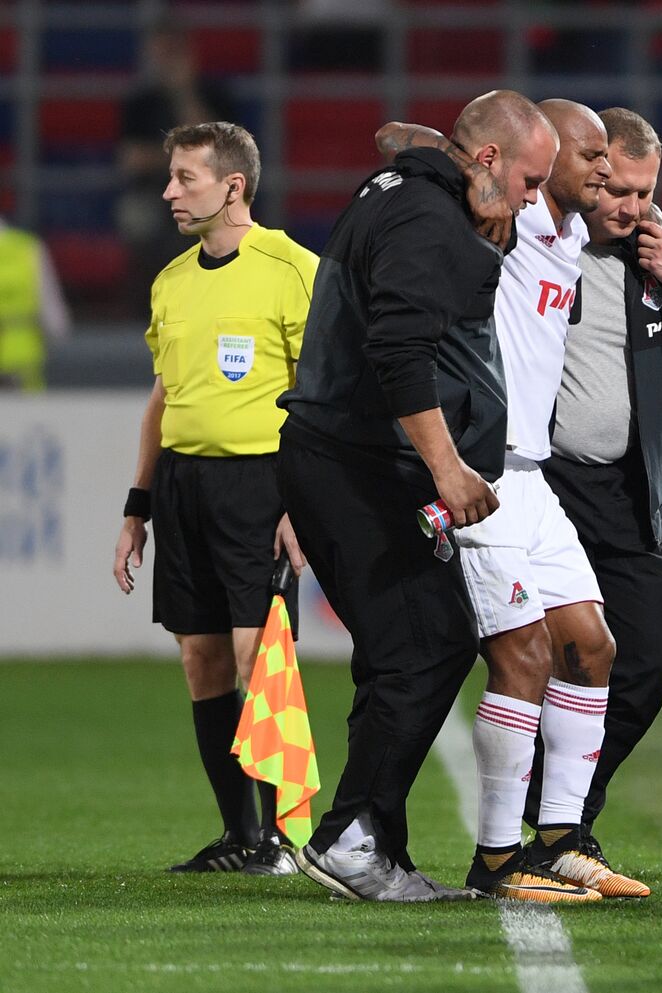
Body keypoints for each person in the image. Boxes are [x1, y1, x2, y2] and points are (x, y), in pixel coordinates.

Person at [279, 90, 557, 902]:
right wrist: (447, 469)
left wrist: (431, 147)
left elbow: (405, 138)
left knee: (411, 642)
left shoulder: (407, 184)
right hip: (353, 463)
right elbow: (400, 350)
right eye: (530, 181)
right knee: (428, 640)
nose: (533, 200)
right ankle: (352, 836)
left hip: (338, 459)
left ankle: (373, 840)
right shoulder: (431, 224)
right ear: (490, 163)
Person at [372, 100, 648, 901]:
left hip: (535, 476)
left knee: (592, 646)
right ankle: (496, 857)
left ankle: (559, 836)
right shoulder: (503, 215)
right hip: (482, 473)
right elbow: (395, 136)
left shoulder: (569, 232)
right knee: (522, 653)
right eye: (588, 153)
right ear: (538, 156)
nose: (602, 167)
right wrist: (481, 180)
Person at [111, 122, 316, 876]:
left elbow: (321, 399)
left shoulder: (293, 269)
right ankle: (241, 836)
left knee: (255, 654)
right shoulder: (170, 282)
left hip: (259, 485)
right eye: (169, 176)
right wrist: (138, 505)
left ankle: (282, 839)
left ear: (234, 186)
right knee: (202, 663)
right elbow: (162, 401)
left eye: (185, 178)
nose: (168, 191)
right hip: (183, 488)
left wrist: (304, 501)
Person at [531, 107, 662, 858]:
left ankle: (558, 803)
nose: (632, 207)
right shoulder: (538, 241)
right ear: (587, 171)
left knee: (647, 658)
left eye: (646, 193)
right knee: (536, 661)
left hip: (623, 494)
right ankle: (560, 828)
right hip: (540, 488)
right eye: (618, 189)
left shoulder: (659, 258)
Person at [118, 22, 238, 305]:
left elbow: (217, 151)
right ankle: (148, 306)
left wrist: (183, 93)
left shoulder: (213, 94)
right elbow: (132, 160)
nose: (164, 62)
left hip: (209, 191)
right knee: (135, 217)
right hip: (151, 192)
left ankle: (212, 300)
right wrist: (187, 160)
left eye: (171, 53)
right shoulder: (140, 101)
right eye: (159, 54)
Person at [0, 215, 71, 390]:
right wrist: (58, 332)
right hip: (22, 351)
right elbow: (47, 297)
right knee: (25, 414)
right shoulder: (27, 248)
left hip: (22, 355)